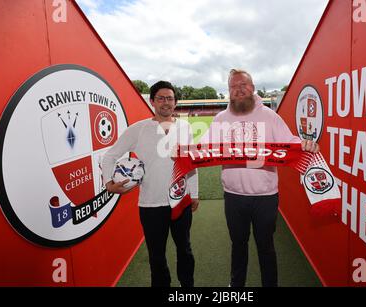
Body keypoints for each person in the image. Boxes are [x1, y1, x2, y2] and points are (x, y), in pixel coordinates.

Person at [202, 69, 319, 287]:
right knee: (238, 245)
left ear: (253, 87)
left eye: (243, 85)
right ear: (228, 92)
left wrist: (305, 145)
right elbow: (204, 148)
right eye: (233, 87)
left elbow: (290, 141)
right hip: (233, 195)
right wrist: (181, 152)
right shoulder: (220, 119)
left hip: (265, 196)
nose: (239, 90)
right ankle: (236, 286)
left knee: (265, 246)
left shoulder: (269, 116)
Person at [101, 81, 199, 287]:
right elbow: (109, 156)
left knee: (185, 249)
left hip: (180, 201)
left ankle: (187, 287)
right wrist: (109, 182)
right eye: (161, 98)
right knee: (156, 255)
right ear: (152, 101)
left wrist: (195, 194)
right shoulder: (138, 129)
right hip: (151, 205)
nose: (166, 102)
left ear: (175, 102)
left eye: (170, 98)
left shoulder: (185, 127)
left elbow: (191, 163)